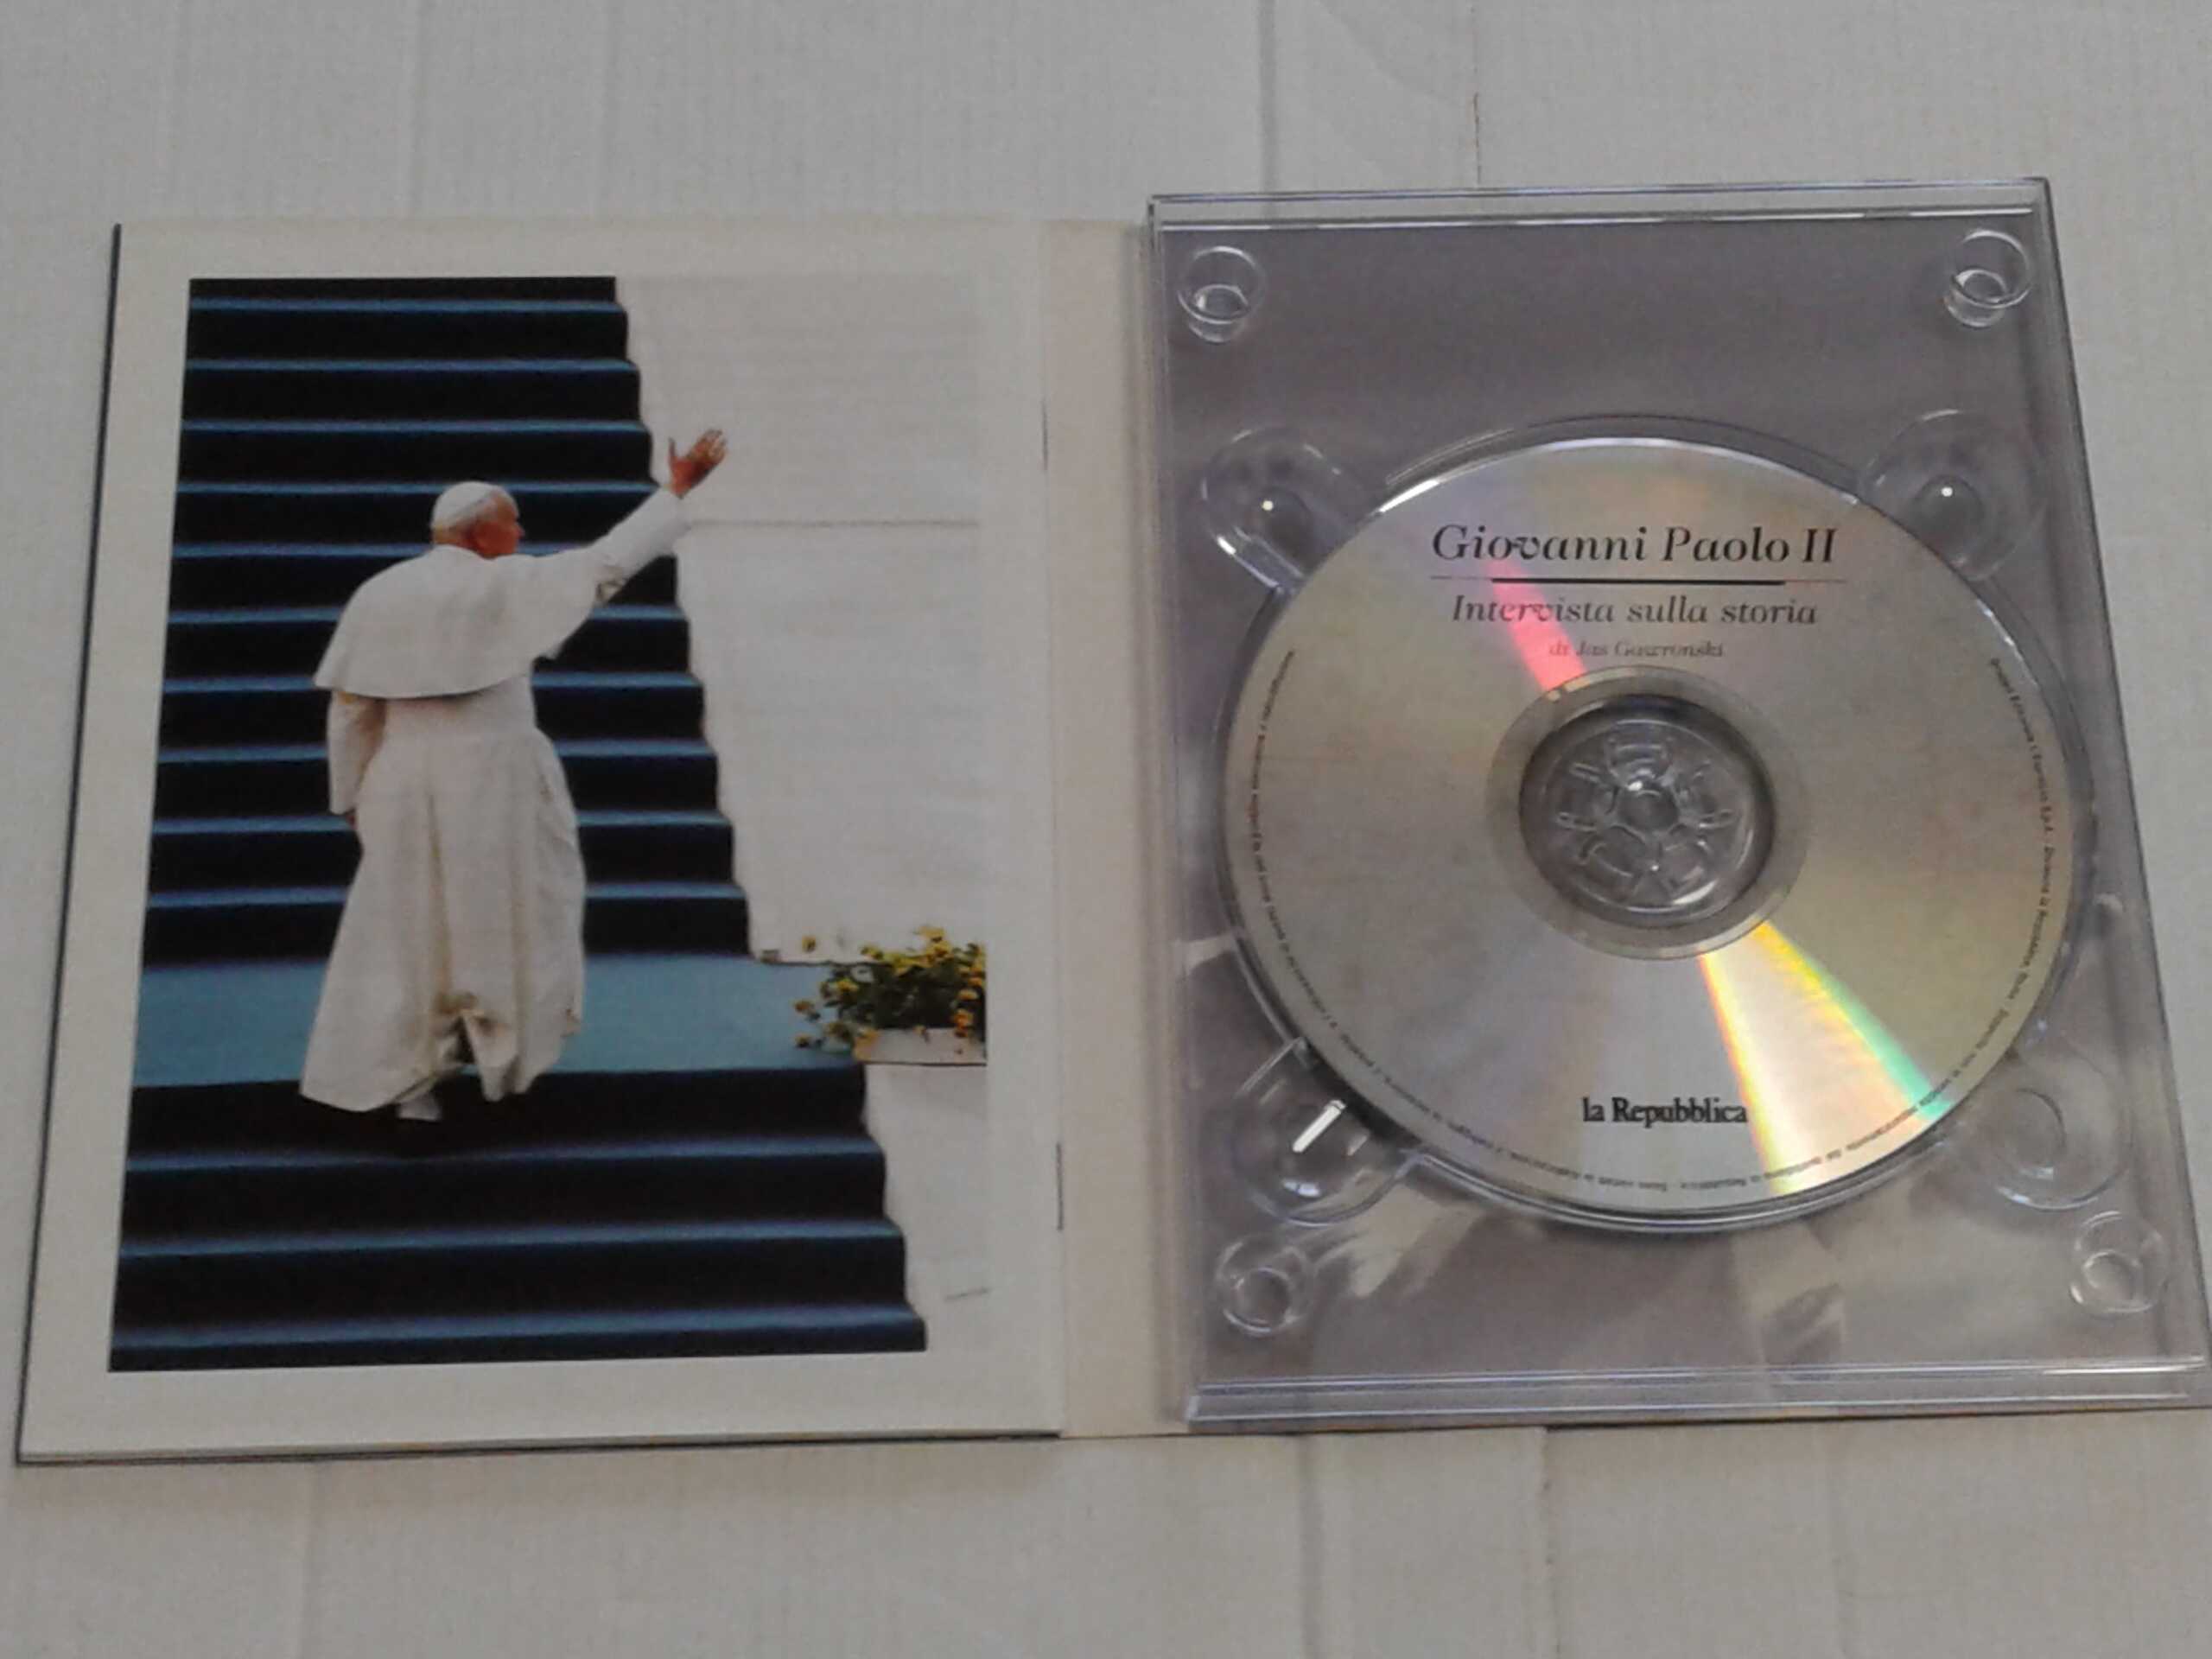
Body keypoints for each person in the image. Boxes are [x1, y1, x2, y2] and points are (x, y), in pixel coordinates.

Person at [300, 431, 728, 1124]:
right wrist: (676, 489)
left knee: (406, 927)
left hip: (400, 779)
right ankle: (493, 1054)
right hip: (491, 780)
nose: (522, 533)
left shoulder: (378, 592)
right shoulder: (503, 584)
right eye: (513, 521)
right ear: (480, 534)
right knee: (499, 918)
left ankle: (413, 1087)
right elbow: (608, 562)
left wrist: (350, 795)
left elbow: (351, 710)